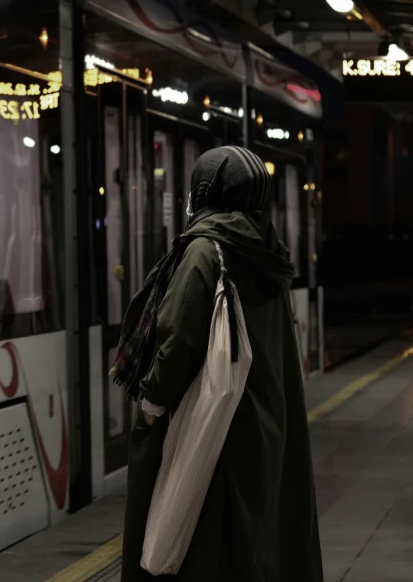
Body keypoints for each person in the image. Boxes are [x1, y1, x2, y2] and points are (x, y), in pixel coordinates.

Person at [112, 146, 324, 582]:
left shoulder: (206, 251)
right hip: (263, 427)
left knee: (203, 547)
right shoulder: (267, 250)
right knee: (254, 545)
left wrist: (150, 410)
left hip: (212, 429)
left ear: (204, 190)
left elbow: (177, 341)